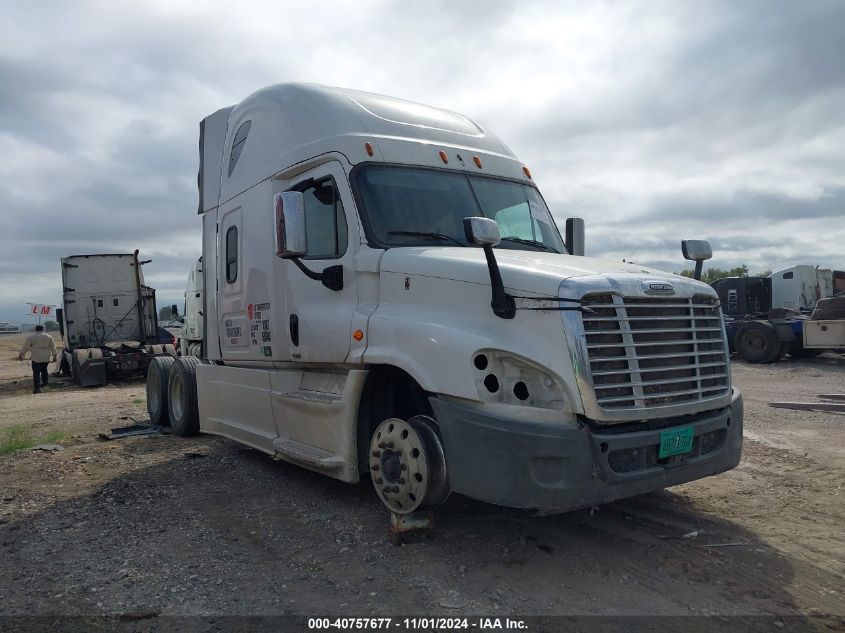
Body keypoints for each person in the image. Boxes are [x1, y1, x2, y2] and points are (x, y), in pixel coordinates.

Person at [19, 325, 57, 394]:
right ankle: (44, 384)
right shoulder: (49, 336)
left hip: (36, 357)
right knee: (44, 371)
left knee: (36, 373)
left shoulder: (31, 337)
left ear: (35, 329)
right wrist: (54, 356)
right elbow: (53, 347)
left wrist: (21, 354)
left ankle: (37, 388)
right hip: (46, 357)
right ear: (43, 329)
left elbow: (26, 347)